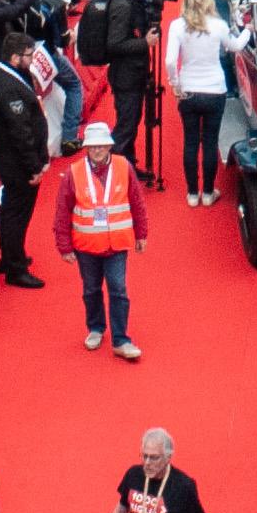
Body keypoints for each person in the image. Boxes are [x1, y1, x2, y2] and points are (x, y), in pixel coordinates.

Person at [52, 115, 149, 358]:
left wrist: (141, 233)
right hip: (86, 245)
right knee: (91, 289)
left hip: (117, 244)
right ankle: (95, 327)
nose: (97, 150)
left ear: (108, 146)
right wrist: (64, 246)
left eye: (101, 146)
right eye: (92, 146)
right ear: (86, 148)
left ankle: (121, 339)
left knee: (118, 289)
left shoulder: (123, 166)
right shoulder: (74, 173)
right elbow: (62, 211)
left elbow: (137, 202)